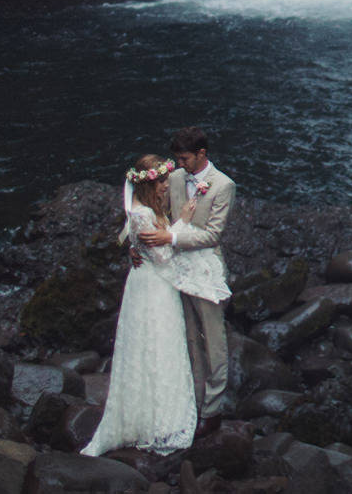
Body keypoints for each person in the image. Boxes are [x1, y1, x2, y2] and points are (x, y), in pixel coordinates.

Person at [80, 155, 197, 457]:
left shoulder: (147, 211)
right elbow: (162, 258)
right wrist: (182, 222)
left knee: (157, 347)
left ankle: (155, 414)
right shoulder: (143, 214)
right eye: (161, 182)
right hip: (152, 289)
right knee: (153, 346)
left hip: (153, 285)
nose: (165, 187)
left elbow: (142, 246)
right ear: (148, 185)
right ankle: (152, 421)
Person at [139, 125, 236, 419]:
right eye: (178, 159)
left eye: (184, 159)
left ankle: (213, 409)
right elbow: (160, 213)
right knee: (191, 339)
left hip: (206, 271)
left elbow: (212, 235)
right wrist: (138, 241)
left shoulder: (223, 185)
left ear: (201, 153)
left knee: (214, 340)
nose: (179, 165)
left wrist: (172, 238)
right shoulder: (177, 178)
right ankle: (194, 405)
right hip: (177, 269)